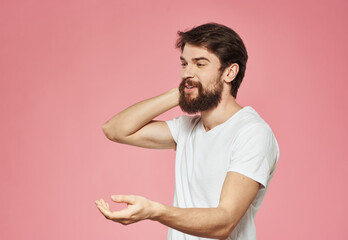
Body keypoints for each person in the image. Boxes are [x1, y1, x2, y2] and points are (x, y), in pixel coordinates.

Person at [95, 23, 279, 240]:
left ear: (230, 72)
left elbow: (225, 222)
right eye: (184, 64)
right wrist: (183, 90)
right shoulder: (186, 128)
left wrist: (155, 211)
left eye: (200, 64)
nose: (188, 73)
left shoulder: (252, 133)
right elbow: (115, 129)